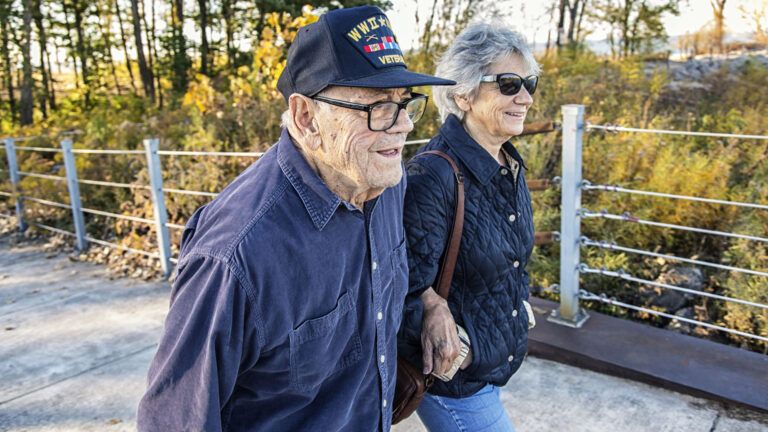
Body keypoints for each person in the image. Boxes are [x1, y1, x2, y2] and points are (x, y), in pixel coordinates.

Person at [136, 6, 453, 431]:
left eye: (405, 104)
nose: (401, 127)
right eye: (378, 107)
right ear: (306, 117)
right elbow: (175, 421)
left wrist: (430, 304)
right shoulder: (235, 255)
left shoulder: (385, 183)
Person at [397, 22, 539, 431]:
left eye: (528, 83)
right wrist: (430, 306)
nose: (526, 98)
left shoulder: (507, 164)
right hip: (456, 383)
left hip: (491, 365)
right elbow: (398, 278)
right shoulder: (434, 176)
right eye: (508, 84)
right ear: (463, 93)